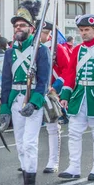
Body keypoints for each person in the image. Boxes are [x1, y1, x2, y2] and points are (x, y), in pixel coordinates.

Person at [0, 0, 50, 185]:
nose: (18, 29)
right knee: (20, 145)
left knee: (29, 143)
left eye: (22, 25)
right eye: (16, 26)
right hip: (15, 101)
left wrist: (35, 103)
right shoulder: (10, 53)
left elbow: (44, 82)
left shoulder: (41, 50)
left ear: (32, 28)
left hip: (32, 102)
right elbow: (6, 82)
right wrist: (4, 108)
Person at [58, 14, 94, 181]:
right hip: (78, 96)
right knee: (74, 133)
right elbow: (70, 74)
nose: (83, 33)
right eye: (81, 30)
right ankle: (74, 167)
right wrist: (66, 94)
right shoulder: (77, 50)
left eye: (87, 30)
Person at [39, 20, 70, 174]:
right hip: (34, 91)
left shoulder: (56, 49)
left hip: (51, 92)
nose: (42, 35)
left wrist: (56, 86)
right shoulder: (31, 49)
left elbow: (68, 69)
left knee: (52, 127)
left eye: (45, 33)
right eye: (40, 32)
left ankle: (53, 161)